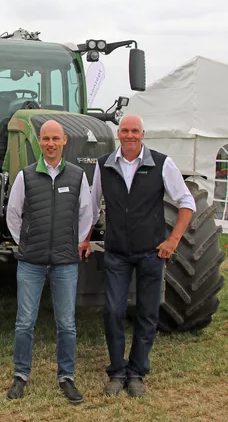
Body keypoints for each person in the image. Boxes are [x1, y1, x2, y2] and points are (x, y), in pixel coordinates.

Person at [79, 114, 196, 398]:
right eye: (125, 131)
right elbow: (93, 207)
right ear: (118, 134)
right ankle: (117, 372)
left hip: (150, 253)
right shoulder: (104, 165)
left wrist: (173, 240)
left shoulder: (161, 163)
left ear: (143, 134)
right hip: (117, 252)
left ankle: (137, 374)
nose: (129, 135)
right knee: (114, 312)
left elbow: (186, 202)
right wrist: (84, 237)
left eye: (135, 131)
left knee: (147, 314)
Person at [5, 119, 93, 404]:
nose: (51, 143)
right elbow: (13, 214)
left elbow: (86, 215)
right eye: (46, 139)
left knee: (66, 323)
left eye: (56, 138)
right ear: (39, 142)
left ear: (64, 141)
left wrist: (71, 242)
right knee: (24, 323)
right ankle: (20, 375)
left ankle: (66, 377)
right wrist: (26, 244)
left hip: (65, 263)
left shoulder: (78, 176)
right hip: (31, 261)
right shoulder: (26, 176)